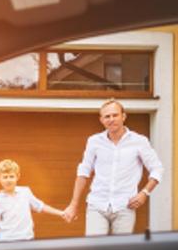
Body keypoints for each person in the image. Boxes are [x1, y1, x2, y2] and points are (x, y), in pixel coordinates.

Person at [63, 99, 164, 235]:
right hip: (97, 205)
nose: (111, 119)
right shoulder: (94, 141)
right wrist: (73, 205)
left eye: (115, 115)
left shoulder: (139, 141)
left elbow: (157, 168)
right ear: (101, 120)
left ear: (123, 116)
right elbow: (83, 172)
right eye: (107, 116)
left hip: (125, 207)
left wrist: (144, 193)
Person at [0, 159, 66, 242]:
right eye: (5, 177)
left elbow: (40, 206)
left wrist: (61, 213)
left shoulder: (25, 192)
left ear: (18, 177)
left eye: (11, 176)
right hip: (6, 241)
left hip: (27, 239)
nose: (8, 180)